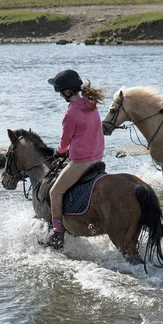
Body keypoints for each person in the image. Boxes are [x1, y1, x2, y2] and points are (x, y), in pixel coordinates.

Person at [47, 69, 106, 249]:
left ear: (66, 91)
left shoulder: (71, 113)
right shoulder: (92, 103)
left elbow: (65, 142)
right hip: (98, 158)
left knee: (54, 193)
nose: (59, 95)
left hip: (81, 162)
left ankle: (57, 235)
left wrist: (59, 152)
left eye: (59, 92)